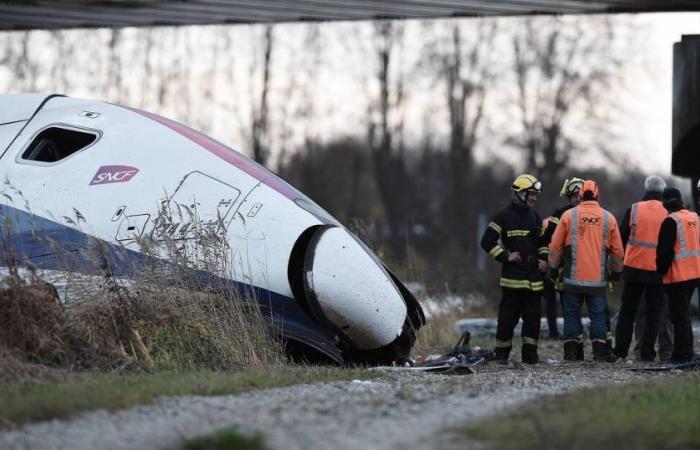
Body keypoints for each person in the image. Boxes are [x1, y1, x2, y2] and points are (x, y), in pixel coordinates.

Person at [548, 179, 624, 362]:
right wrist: (616, 273)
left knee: (571, 315)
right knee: (598, 317)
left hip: (572, 281)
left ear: (580, 195)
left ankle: (572, 354)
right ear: (597, 195)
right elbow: (618, 251)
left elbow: (555, 246)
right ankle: (599, 353)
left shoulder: (568, 216)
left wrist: (552, 268)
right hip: (597, 282)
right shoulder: (608, 218)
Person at [480, 174, 548, 364]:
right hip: (512, 280)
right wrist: (504, 256)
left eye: (535, 194)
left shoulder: (535, 216)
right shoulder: (503, 216)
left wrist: (544, 259)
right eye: (531, 194)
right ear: (519, 193)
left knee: (533, 321)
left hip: (534, 281)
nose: (534, 198)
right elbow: (486, 241)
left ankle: (530, 356)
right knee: (507, 320)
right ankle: (501, 356)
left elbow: (543, 243)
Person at [613, 175, 667, 361]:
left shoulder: (634, 209)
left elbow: (620, 238)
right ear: (663, 191)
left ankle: (620, 352)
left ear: (646, 188)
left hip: (633, 268)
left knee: (627, 312)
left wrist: (617, 266)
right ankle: (647, 353)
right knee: (654, 314)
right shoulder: (668, 211)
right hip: (658, 271)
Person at [655, 187, 699, 363]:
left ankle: (682, 355)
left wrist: (660, 272)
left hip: (678, 277)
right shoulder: (694, 218)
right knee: (684, 316)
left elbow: (664, 253)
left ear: (665, 204)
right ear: (680, 200)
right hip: (694, 275)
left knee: (678, 317)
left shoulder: (670, 221)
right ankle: (687, 352)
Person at [542, 177, 584, 339]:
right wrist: (548, 261)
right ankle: (556, 333)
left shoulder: (594, 214)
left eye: (580, 195)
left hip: (583, 267)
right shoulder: (559, 214)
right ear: (569, 197)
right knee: (555, 302)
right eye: (574, 196)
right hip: (558, 267)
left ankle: (574, 335)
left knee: (575, 303)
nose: (578, 199)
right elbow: (546, 239)